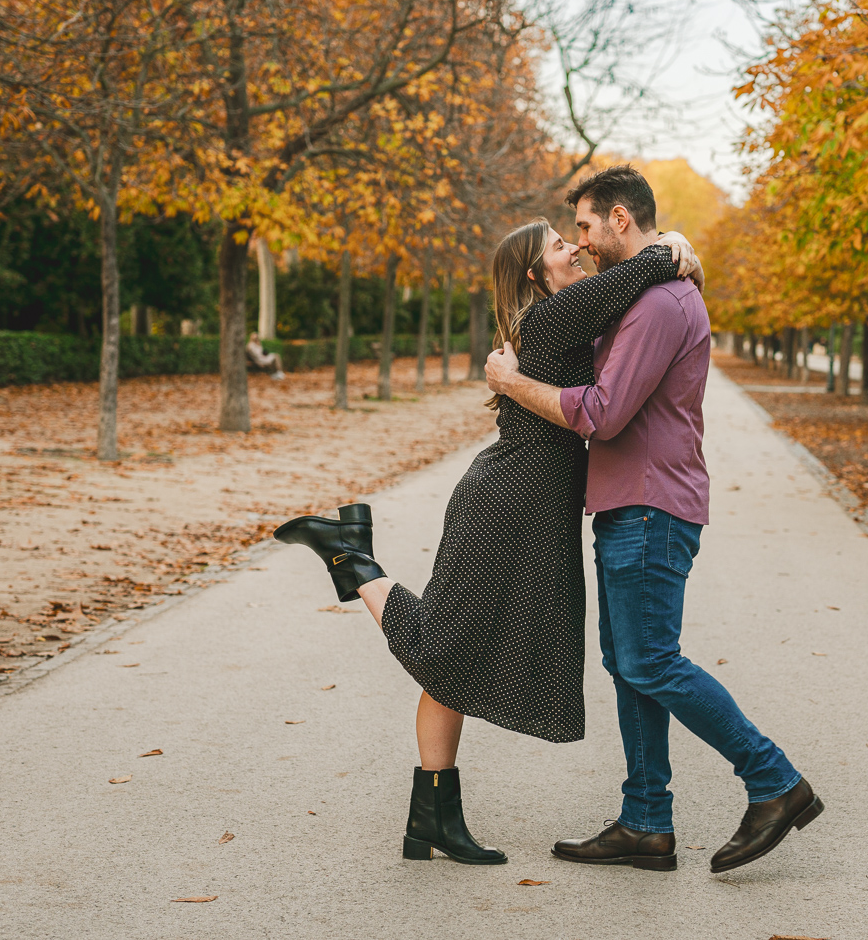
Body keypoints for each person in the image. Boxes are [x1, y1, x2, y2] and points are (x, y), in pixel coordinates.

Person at [273, 216, 701, 866]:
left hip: (527, 505)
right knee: (445, 648)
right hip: (502, 505)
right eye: (562, 246)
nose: (576, 249)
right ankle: (351, 557)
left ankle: (432, 823)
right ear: (536, 274)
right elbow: (638, 270)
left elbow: (624, 299)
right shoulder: (550, 317)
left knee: (455, 660)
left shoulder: (560, 317)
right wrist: (672, 245)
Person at [485, 164, 823, 876]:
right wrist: (671, 242)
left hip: (649, 504)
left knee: (651, 659)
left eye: (582, 226)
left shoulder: (658, 304)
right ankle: (645, 820)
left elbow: (603, 413)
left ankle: (775, 781)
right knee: (630, 663)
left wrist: (515, 384)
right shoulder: (643, 290)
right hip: (629, 503)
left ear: (618, 219)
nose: (578, 242)